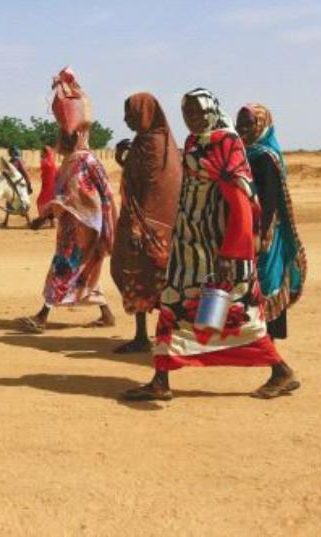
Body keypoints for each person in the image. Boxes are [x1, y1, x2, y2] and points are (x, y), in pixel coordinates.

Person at [122, 89, 298, 402]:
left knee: (237, 317)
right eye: (187, 113)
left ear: (212, 111)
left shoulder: (226, 143)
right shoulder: (194, 142)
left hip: (220, 252)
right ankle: (160, 380)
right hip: (189, 249)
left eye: (198, 112)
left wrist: (231, 252)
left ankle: (281, 371)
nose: (192, 119)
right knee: (173, 308)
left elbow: (242, 203)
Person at [17, 67, 117, 333]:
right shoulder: (71, 162)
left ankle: (42, 316)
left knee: (64, 267)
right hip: (73, 226)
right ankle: (106, 313)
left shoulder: (87, 161)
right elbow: (66, 197)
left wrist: (104, 224)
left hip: (84, 228)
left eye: (68, 134)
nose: (63, 138)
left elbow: (99, 194)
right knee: (83, 270)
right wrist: (49, 214)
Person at [110, 93, 182, 353]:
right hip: (138, 221)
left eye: (131, 114)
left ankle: (165, 337)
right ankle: (142, 335)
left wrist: (141, 226)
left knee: (155, 278)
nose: (127, 120)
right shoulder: (144, 142)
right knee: (133, 273)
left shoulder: (156, 144)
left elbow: (155, 188)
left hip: (153, 225)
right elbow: (137, 178)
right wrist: (123, 160)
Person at [235, 103, 307, 341]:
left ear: (262, 125)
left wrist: (260, 234)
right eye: (240, 124)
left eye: (249, 123)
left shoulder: (265, 157)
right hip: (245, 227)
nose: (243, 128)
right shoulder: (244, 154)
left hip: (265, 232)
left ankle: (269, 337)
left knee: (266, 279)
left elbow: (269, 201)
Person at [0, 145, 33, 228]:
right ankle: (5, 222)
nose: (10, 153)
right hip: (14, 185)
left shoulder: (18, 161)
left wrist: (29, 185)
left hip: (20, 185)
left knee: (21, 202)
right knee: (9, 202)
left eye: (11, 151)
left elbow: (25, 173)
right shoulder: (12, 161)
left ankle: (29, 221)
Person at [35, 146, 57, 228]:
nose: (41, 153)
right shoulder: (52, 161)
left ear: (45, 152)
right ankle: (52, 223)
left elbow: (43, 166)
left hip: (47, 186)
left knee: (40, 202)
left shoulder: (44, 161)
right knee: (50, 203)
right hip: (52, 185)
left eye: (42, 152)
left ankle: (43, 219)